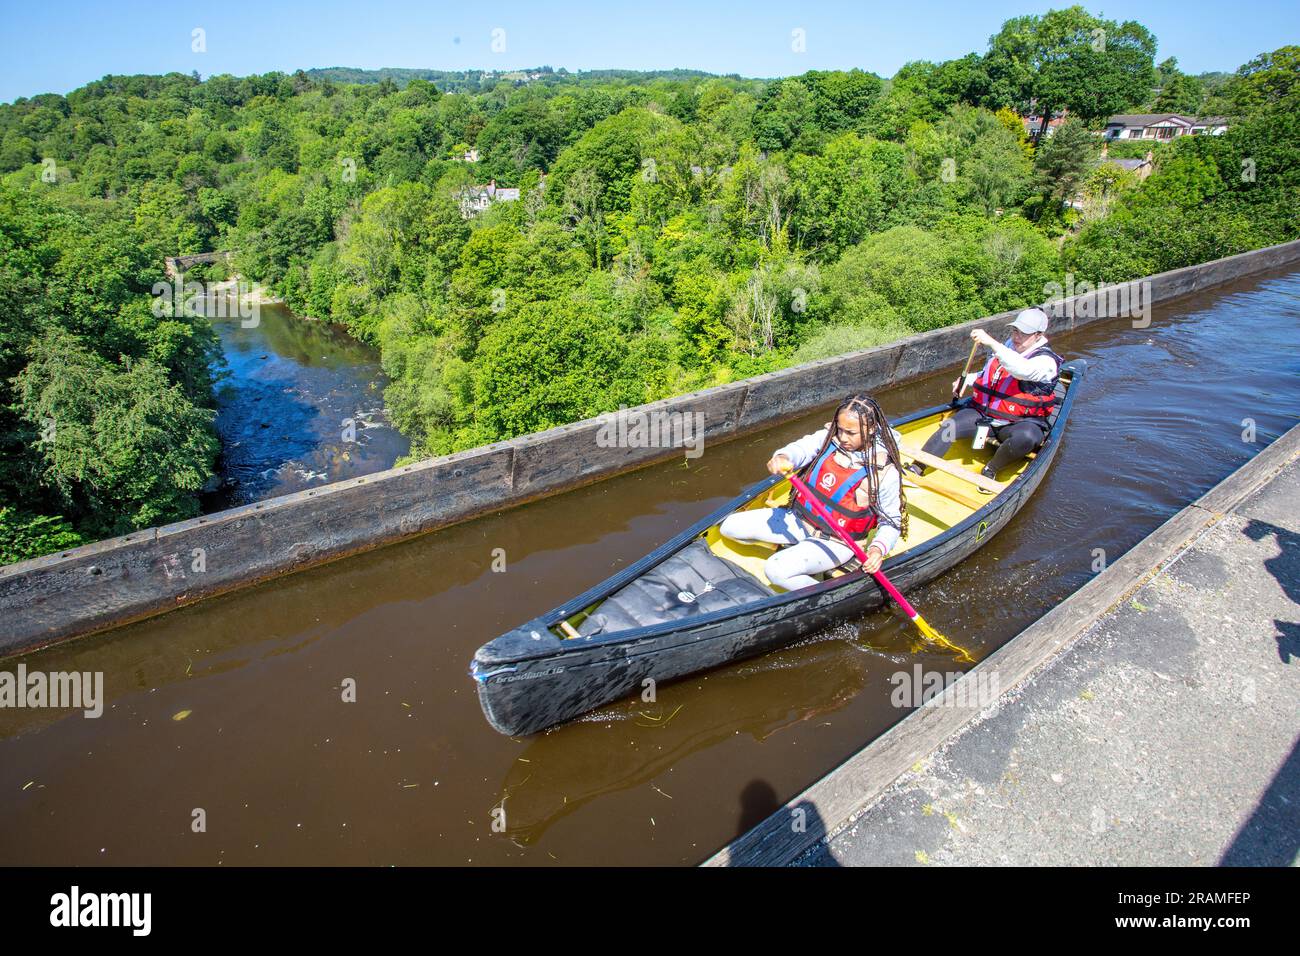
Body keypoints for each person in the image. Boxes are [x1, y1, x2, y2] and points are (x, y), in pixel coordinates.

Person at [719, 394, 907, 591]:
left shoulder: (885, 472)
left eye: (851, 433)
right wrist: (783, 456)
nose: (842, 438)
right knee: (729, 527)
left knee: (775, 570)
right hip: (801, 520)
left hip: (837, 541)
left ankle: (829, 594)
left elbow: (892, 521)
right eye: (840, 429)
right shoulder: (829, 438)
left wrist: (877, 550)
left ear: (869, 431)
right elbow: (801, 448)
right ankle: (796, 551)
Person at [908, 307, 1062, 488]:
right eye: (1015, 331)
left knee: (1028, 437)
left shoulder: (1046, 361)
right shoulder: (1008, 347)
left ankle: (992, 469)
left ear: (1038, 335)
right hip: (985, 413)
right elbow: (990, 374)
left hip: (1019, 421)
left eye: (1023, 333)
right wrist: (967, 380)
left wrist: (991, 342)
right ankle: (918, 467)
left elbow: (1022, 371)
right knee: (950, 426)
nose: (1016, 337)